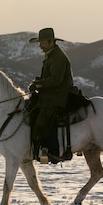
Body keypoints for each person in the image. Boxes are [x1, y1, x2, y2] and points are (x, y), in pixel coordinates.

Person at [28, 27, 74, 159]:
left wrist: (38, 84)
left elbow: (56, 80)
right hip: (51, 93)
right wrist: (38, 82)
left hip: (58, 94)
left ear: (50, 42)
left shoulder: (58, 57)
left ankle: (53, 151)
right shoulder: (52, 55)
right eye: (39, 43)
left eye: (42, 42)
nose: (40, 46)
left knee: (45, 117)